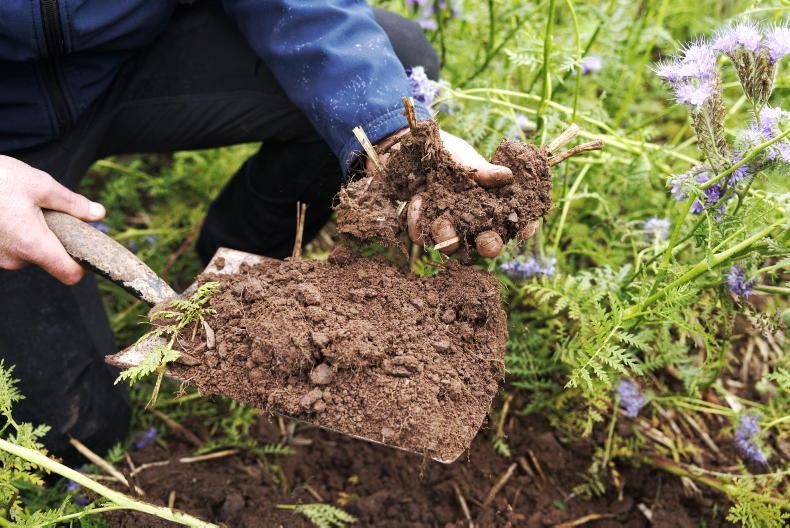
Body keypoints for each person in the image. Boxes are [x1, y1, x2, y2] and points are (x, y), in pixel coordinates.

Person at [0, 0, 516, 463]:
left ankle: (236, 281)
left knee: (392, 61)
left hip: (124, 59)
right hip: (10, 127)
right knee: (80, 429)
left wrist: (393, 136)